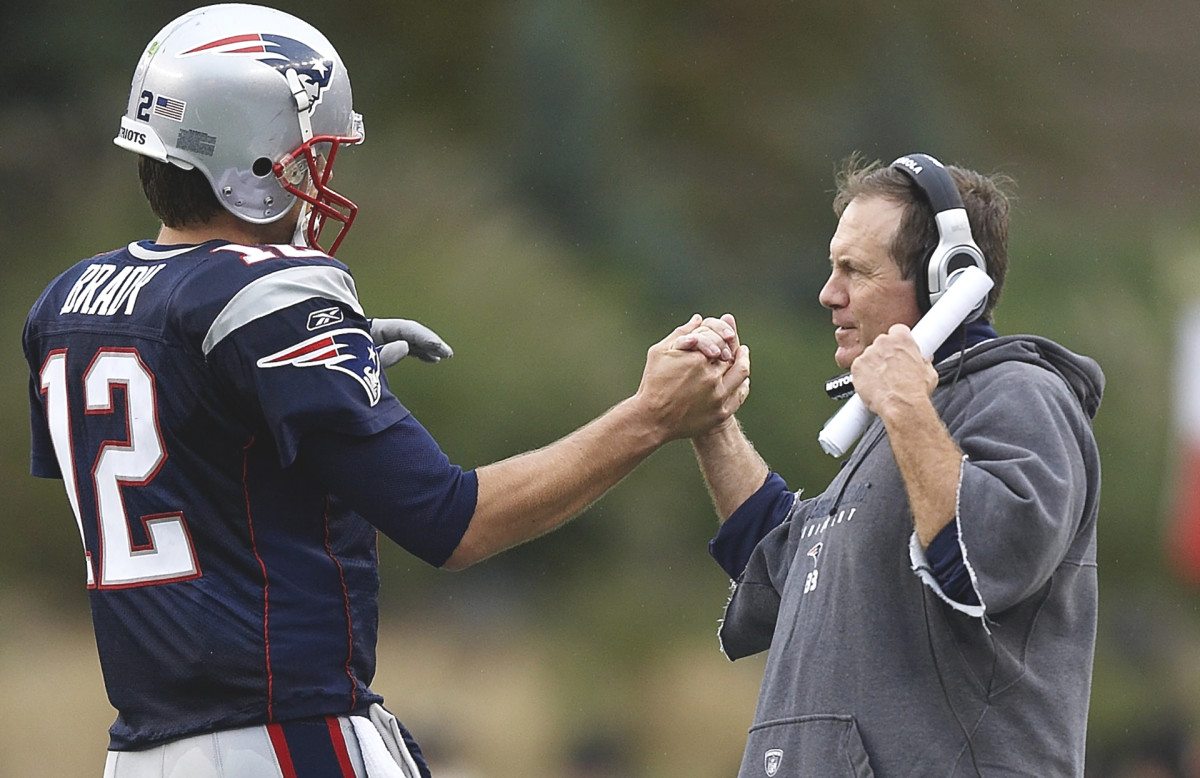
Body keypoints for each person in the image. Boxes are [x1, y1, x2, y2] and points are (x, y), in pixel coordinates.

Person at [22, 5, 749, 778]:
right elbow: (455, 520)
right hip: (281, 740)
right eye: (305, 155)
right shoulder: (272, 298)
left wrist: (306, 375)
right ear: (255, 164)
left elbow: (191, 455)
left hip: (138, 751)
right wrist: (651, 417)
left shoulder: (65, 303)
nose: (316, 176)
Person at [688, 153, 1104, 776]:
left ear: (948, 275)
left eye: (854, 270)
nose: (830, 294)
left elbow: (980, 560)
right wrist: (711, 423)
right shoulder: (902, 428)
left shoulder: (1021, 395)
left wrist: (906, 404)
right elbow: (784, 572)